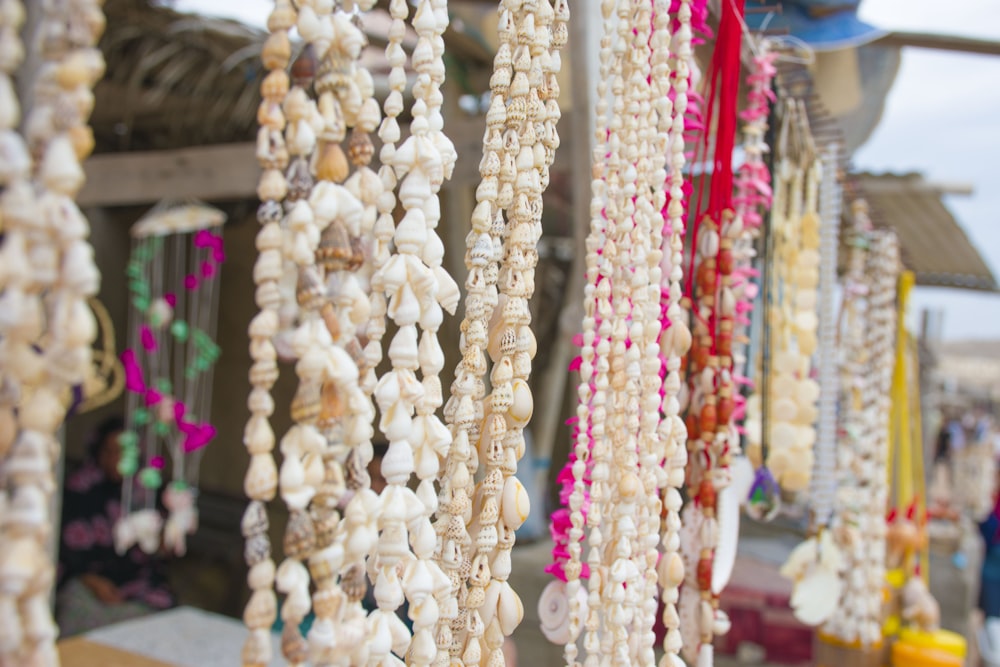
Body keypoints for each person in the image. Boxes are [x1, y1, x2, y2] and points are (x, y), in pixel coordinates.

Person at [56, 416, 175, 636]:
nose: (115, 459)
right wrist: (91, 581)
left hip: (138, 587)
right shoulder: (80, 492)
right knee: (73, 610)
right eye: (108, 451)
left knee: (148, 626)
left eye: (122, 452)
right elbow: (61, 549)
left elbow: (165, 549)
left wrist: (161, 541)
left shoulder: (148, 493)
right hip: (87, 584)